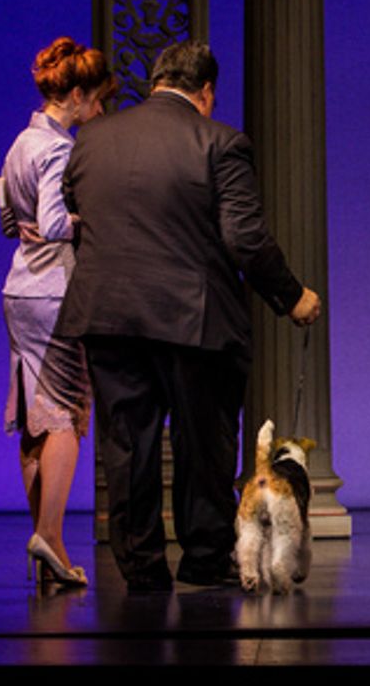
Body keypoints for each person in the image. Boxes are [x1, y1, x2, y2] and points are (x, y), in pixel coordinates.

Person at [56, 40, 321, 592]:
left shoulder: (92, 139)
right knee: (206, 446)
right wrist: (292, 295)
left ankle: (142, 569)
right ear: (206, 94)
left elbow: (76, 211)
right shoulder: (220, 142)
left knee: (127, 448)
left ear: (153, 83)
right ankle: (203, 559)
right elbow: (244, 239)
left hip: (107, 317)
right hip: (194, 322)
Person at [1, 37, 114, 588]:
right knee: (65, 414)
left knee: (34, 419)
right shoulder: (57, 149)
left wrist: (32, 226)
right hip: (53, 292)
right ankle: (49, 534)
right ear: (74, 94)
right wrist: (88, 218)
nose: (97, 112)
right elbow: (50, 222)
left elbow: (7, 217)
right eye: (94, 101)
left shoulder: (21, 141)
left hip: (19, 288)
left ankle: (49, 541)